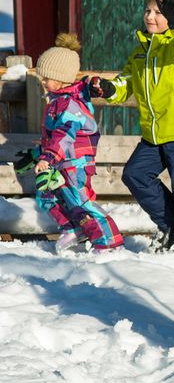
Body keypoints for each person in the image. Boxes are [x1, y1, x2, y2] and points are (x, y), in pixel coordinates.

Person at [89, 0, 174, 250]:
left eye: (159, 12)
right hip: (155, 135)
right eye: (148, 10)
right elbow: (126, 82)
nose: (150, 16)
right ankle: (170, 223)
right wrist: (109, 88)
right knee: (135, 174)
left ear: (173, 16)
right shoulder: (141, 51)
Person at [15, 33, 124, 252]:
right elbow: (53, 137)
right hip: (60, 162)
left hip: (76, 164)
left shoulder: (70, 105)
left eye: (46, 78)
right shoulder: (57, 102)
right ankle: (73, 228)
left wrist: (47, 158)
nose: (43, 82)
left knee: (80, 201)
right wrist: (37, 154)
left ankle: (108, 243)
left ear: (61, 78)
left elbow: (64, 134)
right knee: (47, 195)